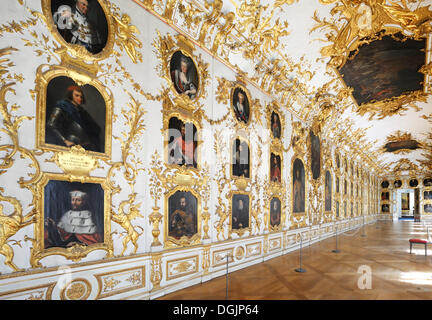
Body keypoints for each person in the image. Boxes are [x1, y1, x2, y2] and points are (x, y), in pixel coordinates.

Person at [46, 85, 102, 152]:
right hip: (69, 142)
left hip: (83, 145)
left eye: (81, 96)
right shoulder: (62, 106)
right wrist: (65, 140)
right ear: (70, 95)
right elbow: (51, 125)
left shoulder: (82, 112)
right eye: (77, 95)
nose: (80, 98)